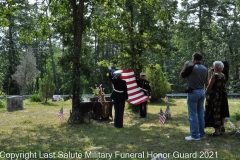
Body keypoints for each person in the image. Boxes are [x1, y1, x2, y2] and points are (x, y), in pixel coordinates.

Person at [179, 52, 208, 141]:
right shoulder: (205, 68)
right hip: (202, 91)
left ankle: (195, 135)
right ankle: (202, 133)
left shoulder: (191, 67)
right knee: (200, 114)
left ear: (193, 59)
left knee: (193, 115)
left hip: (193, 92)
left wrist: (185, 67)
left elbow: (181, 76)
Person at [205, 61, 226, 136]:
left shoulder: (215, 76)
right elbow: (211, 82)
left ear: (216, 67)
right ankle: (219, 129)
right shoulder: (223, 75)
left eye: (214, 66)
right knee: (218, 110)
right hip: (220, 95)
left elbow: (209, 86)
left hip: (213, 96)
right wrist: (209, 73)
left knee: (213, 111)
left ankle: (216, 131)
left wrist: (206, 91)